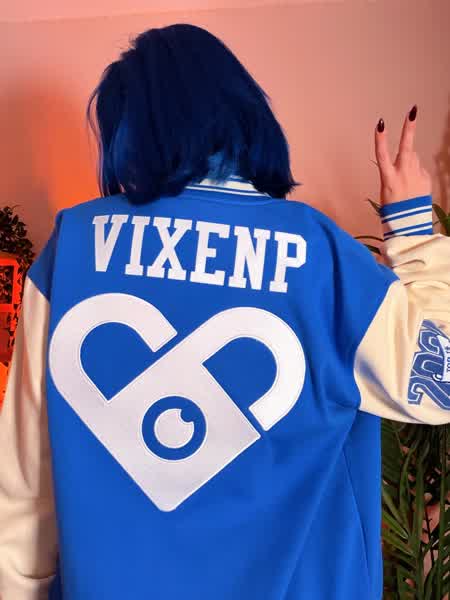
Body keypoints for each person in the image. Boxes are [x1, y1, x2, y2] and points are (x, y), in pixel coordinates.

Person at [0, 23, 448, 600]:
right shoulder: (318, 253)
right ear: (242, 111)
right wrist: (412, 228)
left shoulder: (74, 247)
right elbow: (439, 383)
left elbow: (24, 485)